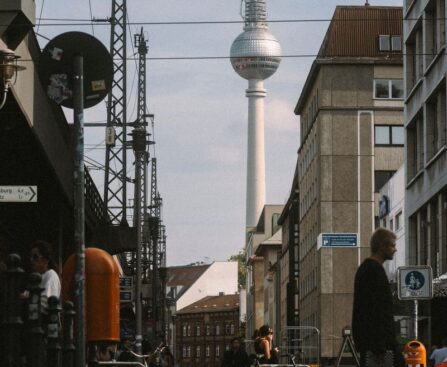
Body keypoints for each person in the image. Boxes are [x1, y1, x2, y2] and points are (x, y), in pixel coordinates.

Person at [352, 228, 404, 367]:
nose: (395, 249)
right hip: (380, 346)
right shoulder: (375, 271)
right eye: (392, 245)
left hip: (370, 343)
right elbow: (377, 310)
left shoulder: (364, 269)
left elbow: (360, 311)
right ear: (382, 246)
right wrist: (380, 345)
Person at [29, 240, 61, 312]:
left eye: (35, 257)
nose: (31, 260)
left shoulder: (51, 275)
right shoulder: (35, 278)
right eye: (31, 257)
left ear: (46, 259)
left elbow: (45, 302)